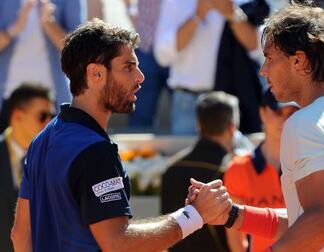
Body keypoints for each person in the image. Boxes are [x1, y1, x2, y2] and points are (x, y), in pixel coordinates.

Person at [190, 1, 324, 251]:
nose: (263, 71)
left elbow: (323, 222)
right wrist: (233, 215)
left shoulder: (305, 124)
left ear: (299, 61)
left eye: (269, 58)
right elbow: (310, 222)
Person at [11, 20, 233, 252]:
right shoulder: (94, 150)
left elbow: (20, 236)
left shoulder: (42, 139)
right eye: (128, 67)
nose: (140, 77)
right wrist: (194, 215)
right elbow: (118, 242)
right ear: (95, 73)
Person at [154, 0, 269, 135]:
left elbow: (259, 48)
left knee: (234, 156)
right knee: (189, 157)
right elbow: (162, 55)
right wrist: (197, 15)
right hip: (188, 103)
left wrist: (232, 14)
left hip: (232, 103)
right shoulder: (176, 2)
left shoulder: (246, 2)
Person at [162, 91, 239, 252]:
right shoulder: (234, 170)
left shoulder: (171, 169)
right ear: (232, 127)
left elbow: (165, 230)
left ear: (198, 123)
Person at [224, 88, 299, 252]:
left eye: (293, 113)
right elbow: (235, 236)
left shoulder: (311, 163)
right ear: (263, 113)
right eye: (278, 112)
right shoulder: (238, 169)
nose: (285, 119)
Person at [0, 0, 86, 132]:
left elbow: (79, 51)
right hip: (7, 100)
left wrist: (49, 23)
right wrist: (13, 29)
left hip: (53, 101)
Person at [0, 84, 54, 252]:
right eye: (42, 116)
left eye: (52, 116)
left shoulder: (55, 158)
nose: (49, 122)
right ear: (17, 116)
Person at [127, 0, 169, 129]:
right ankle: (138, 149)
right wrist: (129, 8)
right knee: (141, 115)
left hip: (177, 51)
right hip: (146, 47)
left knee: (183, 112)